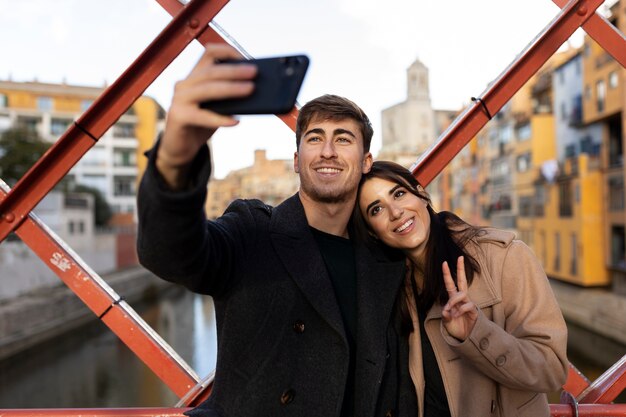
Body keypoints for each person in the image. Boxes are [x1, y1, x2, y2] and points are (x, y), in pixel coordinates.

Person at [136, 43, 416, 417]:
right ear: (297, 161)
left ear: (366, 162)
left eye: (343, 139)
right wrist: (175, 155)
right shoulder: (253, 232)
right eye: (315, 138)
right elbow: (170, 254)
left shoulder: (386, 256)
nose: (328, 151)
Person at [354, 160, 569, 417]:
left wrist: (477, 333)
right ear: (373, 232)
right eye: (376, 209)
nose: (395, 212)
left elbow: (552, 370)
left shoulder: (504, 258)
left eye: (399, 194)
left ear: (421, 193)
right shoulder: (392, 288)